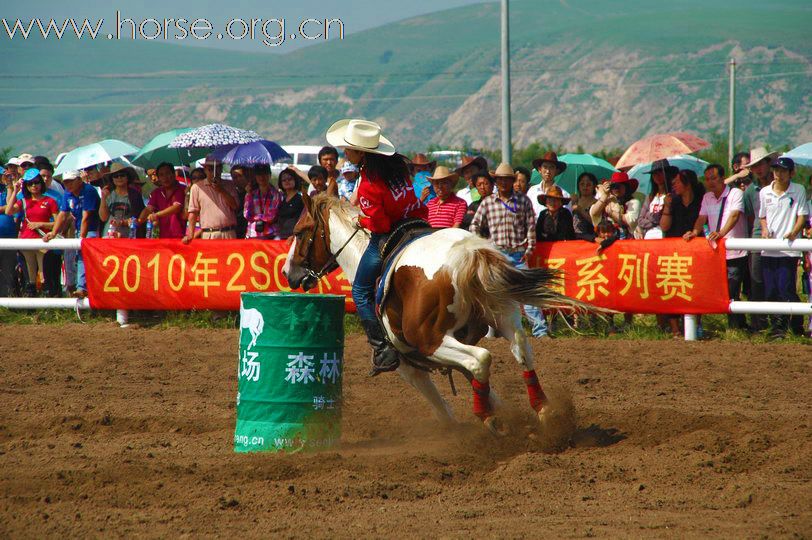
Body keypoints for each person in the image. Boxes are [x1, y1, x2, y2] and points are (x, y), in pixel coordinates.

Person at [326, 118, 428, 375]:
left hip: (389, 233)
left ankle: (382, 348)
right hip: (417, 221)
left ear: (361, 152)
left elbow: (380, 225)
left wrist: (361, 218)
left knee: (360, 290)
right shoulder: (397, 167)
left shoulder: (370, 182)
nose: (344, 153)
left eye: (348, 149)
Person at [470, 163, 549, 338]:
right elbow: (474, 225)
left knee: (528, 294)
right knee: (494, 294)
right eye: (500, 180)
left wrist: (529, 249)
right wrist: (483, 246)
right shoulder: (488, 203)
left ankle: (540, 331)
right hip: (497, 254)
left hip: (519, 254)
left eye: (507, 180)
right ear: (496, 181)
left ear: (512, 181)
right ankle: (495, 332)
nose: (503, 183)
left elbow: (530, 226)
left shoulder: (523, 201)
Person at [684, 163, 749, 331]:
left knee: (731, 290)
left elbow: (734, 215)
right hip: (718, 253)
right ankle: (739, 325)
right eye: (707, 179)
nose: (710, 182)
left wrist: (720, 233)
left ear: (722, 177)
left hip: (736, 252)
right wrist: (694, 232)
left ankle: (736, 327)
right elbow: (701, 219)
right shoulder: (707, 198)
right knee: (725, 291)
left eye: (713, 178)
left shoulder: (735, 193)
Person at [727, 147, 777, 332]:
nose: (758, 169)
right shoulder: (750, 191)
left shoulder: (779, 186)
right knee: (756, 283)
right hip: (757, 239)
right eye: (754, 166)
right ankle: (760, 325)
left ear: (768, 164)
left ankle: (781, 324)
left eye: (760, 164)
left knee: (777, 282)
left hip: (778, 239)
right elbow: (749, 217)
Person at [758, 157, 808, 339]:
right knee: (771, 289)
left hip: (788, 248)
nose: (778, 174)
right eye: (776, 170)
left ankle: (786, 326)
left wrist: (794, 232)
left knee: (785, 287)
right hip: (769, 247)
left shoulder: (798, 190)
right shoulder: (764, 192)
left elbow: (802, 215)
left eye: (783, 170)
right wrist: (764, 229)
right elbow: (762, 216)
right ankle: (784, 325)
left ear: (791, 173)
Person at [660, 170, 705, 337]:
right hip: (675, 251)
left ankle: (697, 325)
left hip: (695, 251)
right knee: (673, 287)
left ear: (687, 184)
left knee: (695, 288)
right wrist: (667, 206)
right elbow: (664, 226)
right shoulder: (674, 201)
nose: (673, 185)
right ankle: (675, 330)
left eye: (677, 182)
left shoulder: (701, 201)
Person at [44, 169, 101, 298]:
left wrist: (81, 237)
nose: (68, 185)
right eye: (66, 182)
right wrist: (53, 233)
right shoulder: (67, 193)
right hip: (78, 230)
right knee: (73, 258)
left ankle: (82, 287)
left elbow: (87, 216)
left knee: (82, 256)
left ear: (79, 180)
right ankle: (75, 286)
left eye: (71, 181)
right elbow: (63, 214)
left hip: (92, 229)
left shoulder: (89, 191)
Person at [5, 169, 59, 296]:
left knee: (43, 274)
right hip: (26, 241)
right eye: (30, 183)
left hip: (42, 241)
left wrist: (41, 224)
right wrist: (15, 191)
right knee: (30, 276)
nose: (34, 186)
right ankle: (31, 306)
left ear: (41, 183)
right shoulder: (23, 201)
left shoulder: (50, 201)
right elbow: (9, 211)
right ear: (26, 186)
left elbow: (57, 223)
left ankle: (47, 303)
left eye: (36, 183)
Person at [182, 157, 239, 244]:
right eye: (210, 169)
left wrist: (221, 190)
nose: (214, 172)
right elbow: (193, 213)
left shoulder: (229, 185)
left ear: (221, 169)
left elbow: (235, 206)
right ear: (205, 170)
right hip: (209, 234)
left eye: (217, 169)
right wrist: (190, 233)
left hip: (229, 232)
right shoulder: (197, 188)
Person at [140, 162, 186, 239]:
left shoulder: (183, 189)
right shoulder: (156, 192)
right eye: (161, 175)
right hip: (162, 237)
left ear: (174, 174)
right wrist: (138, 220)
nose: (165, 177)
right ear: (158, 177)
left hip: (181, 237)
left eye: (168, 173)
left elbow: (177, 207)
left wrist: (157, 215)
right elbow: (148, 209)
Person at [99, 164, 146, 238]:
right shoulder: (108, 194)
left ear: (127, 177)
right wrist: (103, 198)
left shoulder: (135, 194)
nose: (119, 178)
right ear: (112, 179)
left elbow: (141, 217)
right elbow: (103, 218)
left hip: (128, 237)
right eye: (116, 176)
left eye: (122, 175)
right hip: (109, 236)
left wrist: (130, 222)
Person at [590, 171, 641, 239]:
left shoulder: (633, 202)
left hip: (625, 242)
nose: (616, 189)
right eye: (614, 186)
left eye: (619, 185)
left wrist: (611, 212)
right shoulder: (606, 200)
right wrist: (605, 195)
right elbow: (593, 213)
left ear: (626, 187)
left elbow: (630, 222)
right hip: (605, 241)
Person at [635, 159, 678, 239]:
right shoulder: (650, 197)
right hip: (649, 236)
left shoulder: (672, 196)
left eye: (660, 172)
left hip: (666, 236)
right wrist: (654, 222)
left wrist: (649, 216)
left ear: (667, 174)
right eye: (654, 173)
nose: (656, 176)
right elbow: (640, 220)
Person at [244, 164, 283, 239]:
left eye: (265, 174)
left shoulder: (276, 194)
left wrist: (256, 217)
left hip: (270, 234)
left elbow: (272, 216)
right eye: (259, 174)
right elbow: (246, 214)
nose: (262, 177)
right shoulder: (251, 194)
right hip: (252, 233)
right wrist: (248, 194)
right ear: (255, 176)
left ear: (270, 175)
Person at [527, 152, 571, 217]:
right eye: (545, 167)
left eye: (551, 167)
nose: (548, 171)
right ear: (540, 170)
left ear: (556, 171)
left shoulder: (564, 195)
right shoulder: (532, 191)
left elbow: (567, 219)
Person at [0, 166, 19, 296]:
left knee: (9, 271)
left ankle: (7, 302)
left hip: (9, 237)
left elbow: (10, 208)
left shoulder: (8, 188)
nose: (3, 177)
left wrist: (9, 185)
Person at [275, 168, 305, 240]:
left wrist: (296, 235)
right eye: (284, 180)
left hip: (295, 238)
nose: (287, 181)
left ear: (295, 180)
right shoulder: (281, 199)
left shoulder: (301, 199)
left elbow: (303, 219)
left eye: (290, 179)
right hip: (281, 236)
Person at [572, 172, 597, 241]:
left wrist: (581, 211)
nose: (585, 187)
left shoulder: (597, 203)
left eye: (588, 184)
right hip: (573, 239)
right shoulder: (574, 201)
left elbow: (597, 223)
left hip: (590, 239)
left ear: (594, 186)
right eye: (582, 184)